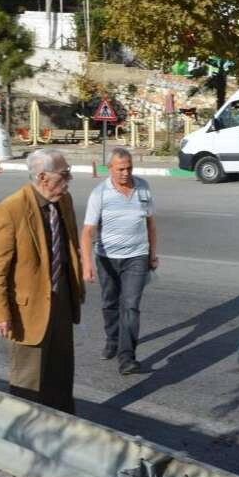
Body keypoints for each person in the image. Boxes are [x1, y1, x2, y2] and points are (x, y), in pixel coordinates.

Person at [0, 149, 84, 414]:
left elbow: (70, 245)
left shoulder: (64, 200)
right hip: (27, 311)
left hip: (60, 302)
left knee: (61, 376)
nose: (69, 179)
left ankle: (62, 432)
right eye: (64, 174)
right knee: (29, 382)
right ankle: (26, 441)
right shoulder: (10, 210)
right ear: (42, 177)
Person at [81, 147, 157, 375]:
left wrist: (152, 254)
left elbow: (150, 223)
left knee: (131, 306)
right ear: (110, 169)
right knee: (110, 303)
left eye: (129, 168)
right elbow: (87, 232)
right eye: (121, 169)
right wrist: (87, 263)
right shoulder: (99, 194)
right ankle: (113, 340)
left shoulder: (143, 187)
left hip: (137, 256)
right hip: (107, 258)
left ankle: (127, 358)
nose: (126, 173)